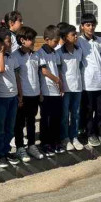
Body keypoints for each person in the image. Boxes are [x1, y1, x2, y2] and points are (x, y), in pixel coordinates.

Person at [13, 26, 43, 162]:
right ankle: (20, 147)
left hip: (35, 94)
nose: (33, 41)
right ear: (22, 40)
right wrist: (19, 96)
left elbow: (38, 75)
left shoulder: (35, 55)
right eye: (30, 39)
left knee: (31, 121)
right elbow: (16, 77)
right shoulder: (15, 56)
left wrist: (40, 92)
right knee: (19, 123)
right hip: (22, 95)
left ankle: (32, 145)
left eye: (34, 39)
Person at [0, 27, 19, 167]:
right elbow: (0, 69)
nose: (11, 44)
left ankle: (6, 150)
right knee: (0, 127)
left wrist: (20, 94)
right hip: (1, 98)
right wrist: (1, 53)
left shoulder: (12, 57)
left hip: (13, 96)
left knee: (10, 127)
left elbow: (16, 75)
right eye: (8, 41)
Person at [77, 13, 101, 147]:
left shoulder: (99, 41)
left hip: (100, 82)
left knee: (100, 110)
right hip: (87, 83)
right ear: (82, 26)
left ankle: (96, 132)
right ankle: (88, 134)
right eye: (88, 25)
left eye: (93, 25)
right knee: (88, 110)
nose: (91, 27)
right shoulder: (79, 41)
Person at [38, 25, 65, 155]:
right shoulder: (41, 53)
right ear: (47, 39)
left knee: (56, 118)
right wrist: (56, 80)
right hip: (46, 91)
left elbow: (58, 70)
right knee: (46, 119)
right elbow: (44, 71)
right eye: (55, 41)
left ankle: (56, 141)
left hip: (56, 92)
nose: (57, 43)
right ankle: (45, 143)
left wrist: (61, 84)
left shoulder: (56, 53)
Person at [58, 23, 85, 151]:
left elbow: (80, 67)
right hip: (66, 89)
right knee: (64, 115)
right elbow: (58, 71)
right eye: (73, 34)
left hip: (77, 88)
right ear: (65, 37)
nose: (76, 36)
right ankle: (65, 138)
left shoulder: (79, 50)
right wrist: (61, 86)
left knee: (76, 114)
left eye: (76, 34)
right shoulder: (59, 52)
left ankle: (74, 137)